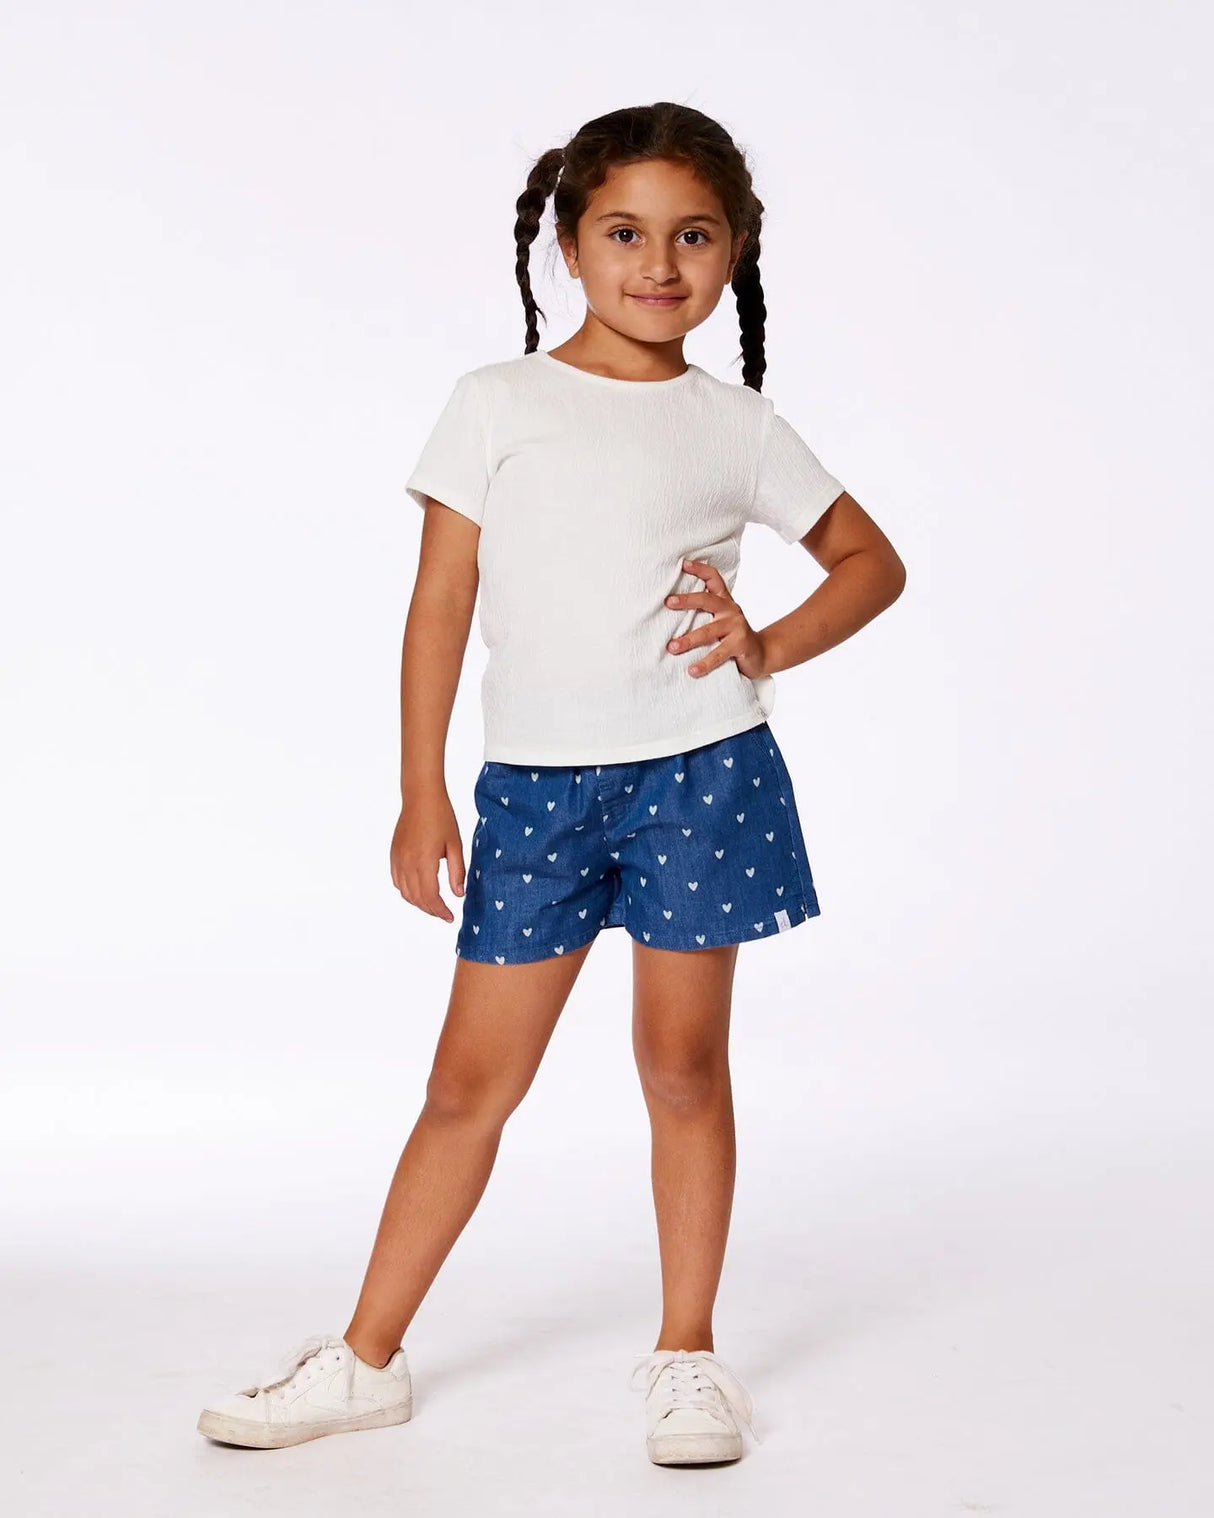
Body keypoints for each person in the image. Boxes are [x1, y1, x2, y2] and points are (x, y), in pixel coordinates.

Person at [196, 100, 907, 1467]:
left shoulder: (738, 425)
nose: (659, 263)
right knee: (469, 1083)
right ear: (568, 248)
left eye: (693, 235)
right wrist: (422, 787)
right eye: (624, 233)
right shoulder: (497, 404)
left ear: (735, 250)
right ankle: (365, 1359)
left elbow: (871, 562)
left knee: (682, 1068)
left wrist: (765, 645)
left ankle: (688, 1356)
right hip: (536, 793)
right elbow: (439, 602)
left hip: (701, 777)